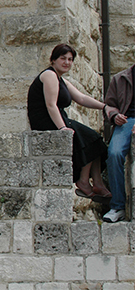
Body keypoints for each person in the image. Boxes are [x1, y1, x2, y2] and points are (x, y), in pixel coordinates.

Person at [27, 43, 113, 202]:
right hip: (46, 121)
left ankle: (97, 183)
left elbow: (81, 98)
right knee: (89, 140)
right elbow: (50, 105)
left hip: (58, 118)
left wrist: (105, 107)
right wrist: (62, 128)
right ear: (53, 60)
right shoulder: (49, 75)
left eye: (70, 59)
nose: (67, 62)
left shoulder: (61, 80)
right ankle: (84, 181)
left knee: (96, 141)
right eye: (63, 58)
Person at [102, 63, 135, 222]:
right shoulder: (120, 78)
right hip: (126, 121)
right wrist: (115, 116)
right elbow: (110, 105)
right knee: (114, 153)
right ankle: (118, 206)